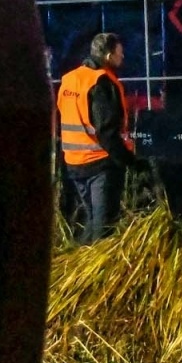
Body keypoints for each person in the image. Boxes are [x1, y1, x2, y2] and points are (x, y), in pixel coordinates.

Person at [55, 32, 142, 243]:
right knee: (103, 228)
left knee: (90, 221)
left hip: (73, 163)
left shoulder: (69, 79)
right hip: (99, 164)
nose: (123, 58)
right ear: (109, 55)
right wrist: (130, 161)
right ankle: (98, 271)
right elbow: (107, 132)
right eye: (120, 53)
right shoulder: (101, 83)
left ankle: (81, 266)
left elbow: (60, 118)